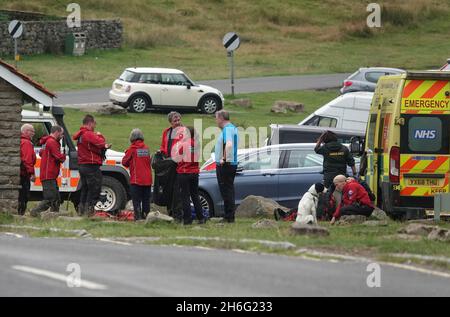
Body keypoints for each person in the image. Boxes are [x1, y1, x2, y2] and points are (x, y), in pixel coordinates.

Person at [73, 115, 111, 216]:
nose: (95, 125)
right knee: (94, 188)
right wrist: (100, 135)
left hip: (82, 165)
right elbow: (101, 143)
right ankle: (89, 210)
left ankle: (81, 209)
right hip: (91, 165)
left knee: (85, 188)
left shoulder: (81, 135)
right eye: (94, 123)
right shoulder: (88, 134)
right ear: (90, 123)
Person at [30, 126, 66, 216]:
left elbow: (42, 153)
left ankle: (55, 215)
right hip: (48, 174)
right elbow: (59, 157)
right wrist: (64, 155)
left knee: (56, 198)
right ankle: (34, 212)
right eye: (61, 134)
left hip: (49, 174)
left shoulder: (47, 142)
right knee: (50, 198)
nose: (62, 136)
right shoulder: (52, 142)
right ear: (56, 132)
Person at [173, 126, 205, 225]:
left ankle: (187, 219)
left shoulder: (183, 144)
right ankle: (201, 218)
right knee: (195, 195)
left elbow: (177, 158)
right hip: (194, 172)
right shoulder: (197, 145)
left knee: (185, 196)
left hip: (184, 172)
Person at [122, 129, 152, 221]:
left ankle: (138, 218)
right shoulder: (146, 148)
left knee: (136, 200)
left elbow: (124, 162)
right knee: (146, 200)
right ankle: (146, 217)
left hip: (137, 179)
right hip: (148, 179)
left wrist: (126, 152)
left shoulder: (132, 149)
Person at [215, 110, 239, 223]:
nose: (216, 121)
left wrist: (223, 159)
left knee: (226, 191)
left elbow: (228, 145)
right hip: (230, 164)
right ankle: (229, 215)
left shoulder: (228, 129)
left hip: (226, 165)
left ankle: (229, 216)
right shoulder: (232, 128)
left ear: (221, 118)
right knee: (228, 190)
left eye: (216, 118)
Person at [159, 111, 184, 221]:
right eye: (175, 121)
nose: (178, 122)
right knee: (168, 189)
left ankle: (178, 216)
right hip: (168, 165)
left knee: (177, 191)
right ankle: (170, 213)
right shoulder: (166, 132)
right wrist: (161, 151)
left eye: (179, 120)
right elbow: (163, 145)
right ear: (170, 122)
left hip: (180, 165)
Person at [18, 124, 36, 215]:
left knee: (20, 195)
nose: (34, 133)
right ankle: (20, 214)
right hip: (24, 174)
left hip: (20, 173)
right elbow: (27, 159)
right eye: (32, 131)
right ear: (25, 131)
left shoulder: (21, 141)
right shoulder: (26, 143)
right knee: (24, 196)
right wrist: (32, 173)